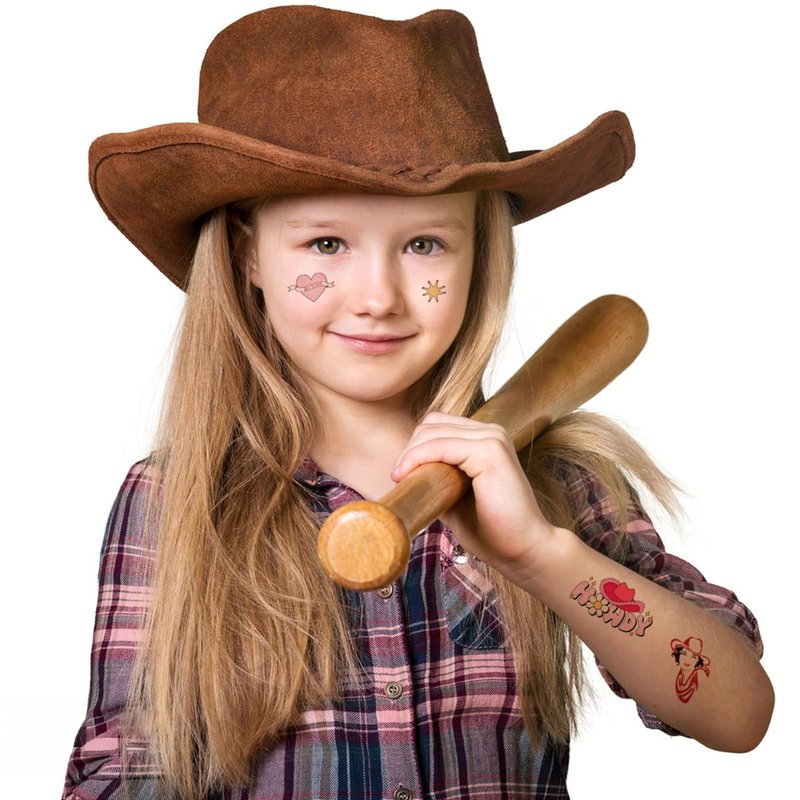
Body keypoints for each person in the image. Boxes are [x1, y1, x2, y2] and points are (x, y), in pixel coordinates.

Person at [63, 6, 773, 800]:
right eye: (326, 244)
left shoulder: (554, 483)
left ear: (478, 254)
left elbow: (737, 713)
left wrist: (540, 557)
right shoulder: (177, 500)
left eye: (424, 245)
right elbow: (118, 778)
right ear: (246, 253)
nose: (379, 297)